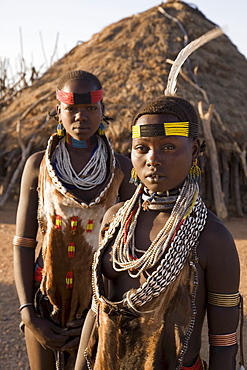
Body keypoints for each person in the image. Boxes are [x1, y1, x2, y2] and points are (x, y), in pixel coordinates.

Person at [75, 95, 241, 370]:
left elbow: (224, 345)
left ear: (195, 149)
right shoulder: (115, 218)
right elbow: (97, 311)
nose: (153, 159)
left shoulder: (212, 238)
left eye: (168, 147)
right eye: (142, 148)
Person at [13, 70, 135, 370]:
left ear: (103, 110)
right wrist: (28, 311)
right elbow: (24, 241)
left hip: (99, 297)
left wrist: (107, 311)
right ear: (59, 111)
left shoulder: (121, 167)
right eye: (72, 109)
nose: (82, 116)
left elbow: (132, 242)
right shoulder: (38, 165)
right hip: (44, 295)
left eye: (91, 108)